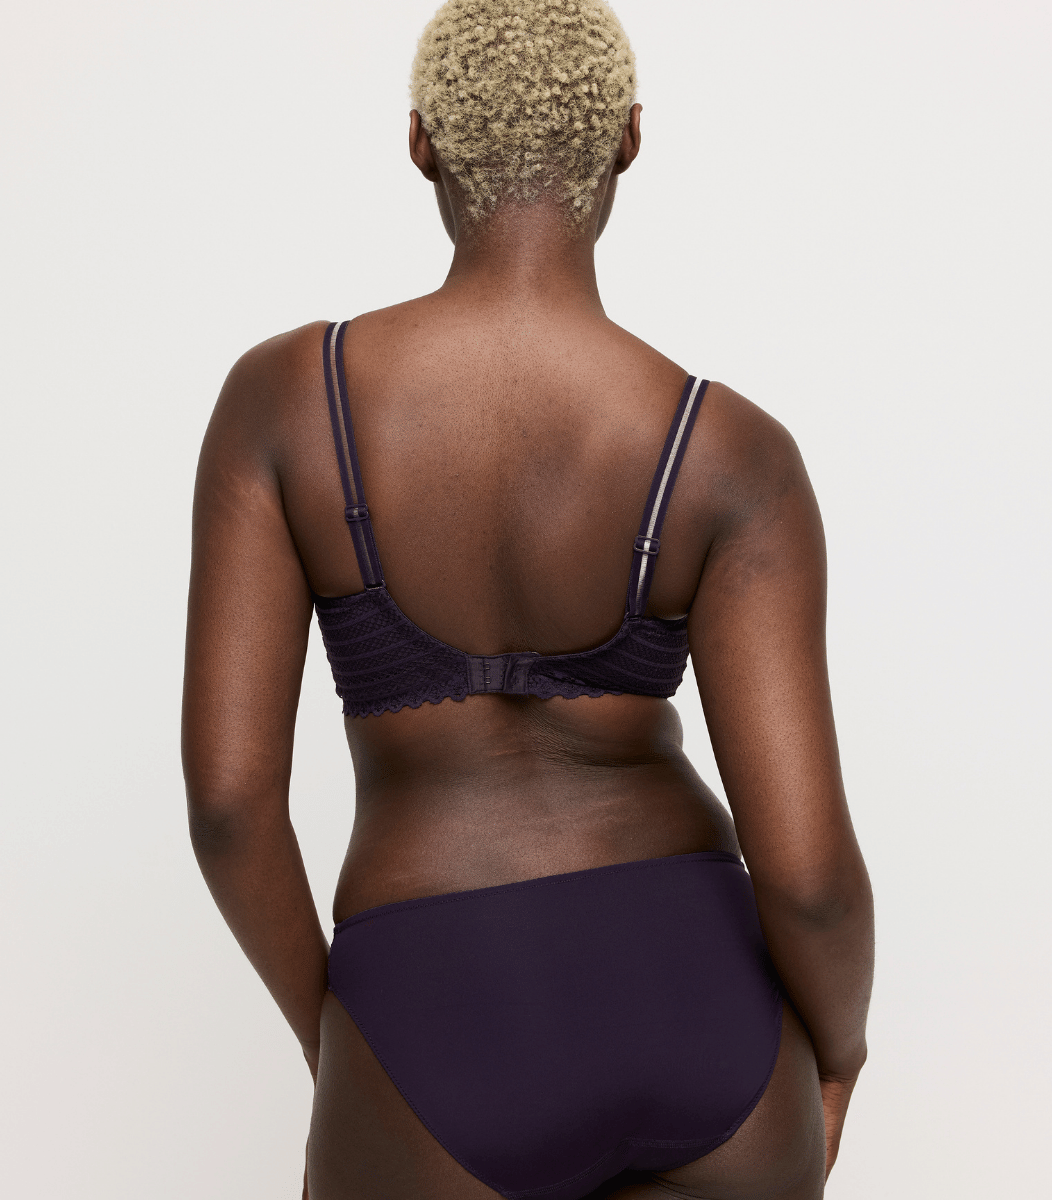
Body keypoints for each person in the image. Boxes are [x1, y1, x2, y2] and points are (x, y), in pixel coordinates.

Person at [181, 2, 874, 1197]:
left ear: (422, 142)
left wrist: (342, 1041)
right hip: (706, 1010)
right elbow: (806, 871)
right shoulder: (731, 452)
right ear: (628, 140)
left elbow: (231, 807)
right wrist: (840, 1055)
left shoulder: (286, 402)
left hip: (436, 1002)